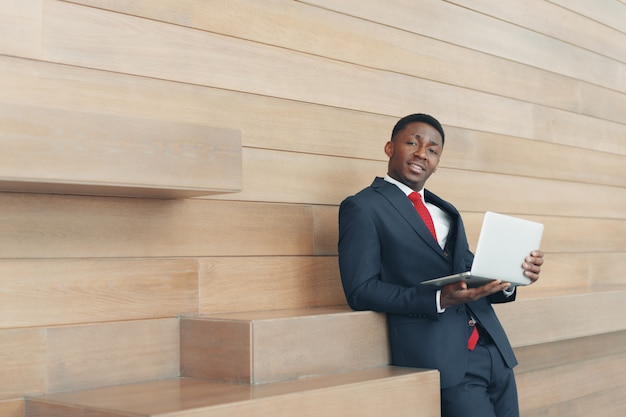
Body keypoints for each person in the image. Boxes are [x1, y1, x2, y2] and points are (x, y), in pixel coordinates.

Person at [338, 113, 544, 417]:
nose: (423, 153)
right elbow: (361, 290)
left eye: (433, 150)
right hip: (443, 358)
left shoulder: (445, 210)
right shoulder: (362, 207)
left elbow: (472, 271)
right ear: (389, 148)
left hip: (494, 351)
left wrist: (513, 276)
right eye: (413, 143)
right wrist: (438, 299)